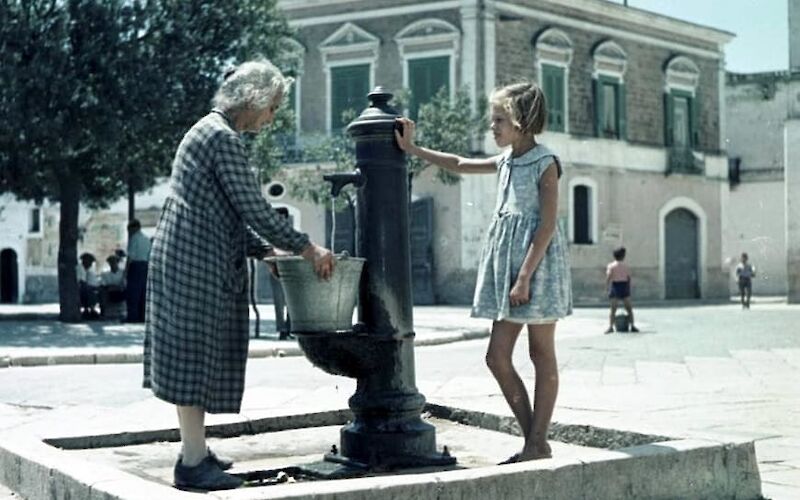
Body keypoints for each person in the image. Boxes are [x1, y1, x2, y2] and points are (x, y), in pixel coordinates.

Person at [143, 58, 334, 492]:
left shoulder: (208, 131)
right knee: (193, 358)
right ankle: (192, 464)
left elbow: (223, 209)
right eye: (272, 109)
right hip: (196, 261)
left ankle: (195, 448)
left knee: (195, 356)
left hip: (190, 255)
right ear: (254, 99)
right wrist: (307, 247)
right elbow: (250, 206)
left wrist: (265, 249)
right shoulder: (222, 139)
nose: (271, 119)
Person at [395, 82, 572, 463]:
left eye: (499, 119)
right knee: (497, 357)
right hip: (506, 264)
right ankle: (535, 441)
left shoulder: (546, 162)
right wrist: (413, 149)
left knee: (541, 352)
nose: (492, 127)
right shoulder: (506, 160)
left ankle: (536, 441)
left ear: (522, 121)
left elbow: (547, 225)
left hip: (535, 265)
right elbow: (459, 164)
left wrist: (524, 275)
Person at [604, 246, 639, 334]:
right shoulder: (625, 266)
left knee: (613, 309)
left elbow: (608, 277)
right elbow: (628, 278)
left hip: (615, 286)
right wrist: (629, 288)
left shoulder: (611, 266)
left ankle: (611, 327)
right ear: (623, 256)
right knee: (629, 308)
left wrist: (607, 287)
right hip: (624, 286)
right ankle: (632, 326)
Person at [125, 219, 151, 323]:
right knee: (143, 293)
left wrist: (126, 271)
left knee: (133, 293)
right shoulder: (146, 239)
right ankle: (142, 316)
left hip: (135, 266)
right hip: (145, 266)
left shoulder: (134, 238)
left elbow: (130, 256)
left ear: (134, 227)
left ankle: (132, 316)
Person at [99, 254, 126, 319]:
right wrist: (114, 286)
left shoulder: (123, 273)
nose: (112, 264)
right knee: (102, 292)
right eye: (111, 262)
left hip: (121, 292)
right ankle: (103, 313)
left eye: (114, 262)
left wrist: (114, 286)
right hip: (110, 293)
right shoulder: (105, 274)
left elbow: (124, 285)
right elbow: (104, 285)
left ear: (117, 262)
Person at [76, 252, 100, 319]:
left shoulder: (89, 270)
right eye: (90, 262)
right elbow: (81, 281)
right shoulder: (80, 268)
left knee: (95, 291)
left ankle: (92, 310)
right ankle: (89, 309)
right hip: (80, 288)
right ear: (84, 261)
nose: (91, 264)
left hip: (87, 288)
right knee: (88, 290)